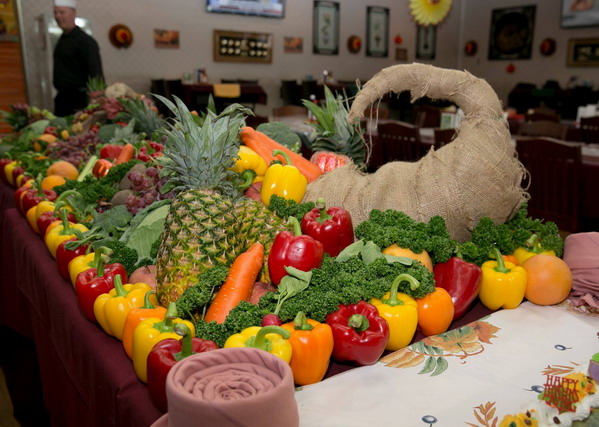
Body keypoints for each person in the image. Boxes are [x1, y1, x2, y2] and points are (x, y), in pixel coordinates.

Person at [53, 0, 103, 116]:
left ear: (73, 13)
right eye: (55, 13)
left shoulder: (86, 41)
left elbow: (96, 74)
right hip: (62, 100)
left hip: (80, 101)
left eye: (62, 12)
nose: (58, 16)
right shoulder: (61, 40)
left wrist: (97, 102)